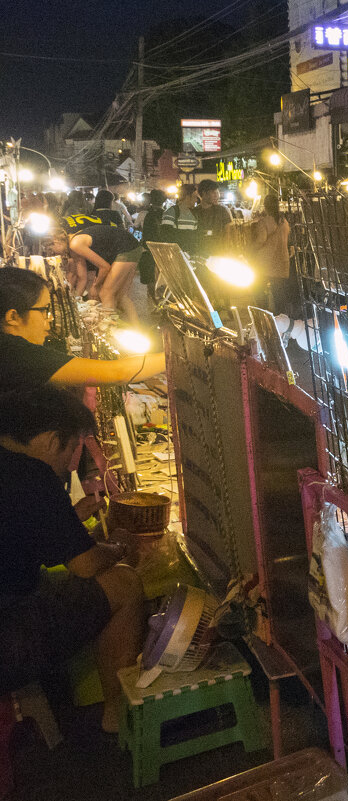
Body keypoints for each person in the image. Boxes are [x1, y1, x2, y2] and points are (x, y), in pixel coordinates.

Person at [0, 386, 144, 733]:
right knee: (124, 584)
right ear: (51, 440)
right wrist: (120, 545)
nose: (69, 464)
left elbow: (19, 532)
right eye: (71, 450)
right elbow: (86, 565)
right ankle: (116, 716)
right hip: (7, 635)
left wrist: (69, 520)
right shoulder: (32, 474)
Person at [0, 268, 165, 395]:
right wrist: (170, 357)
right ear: (13, 317)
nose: (49, 319)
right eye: (44, 310)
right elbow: (118, 372)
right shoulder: (14, 354)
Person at [59, 224, 144, 325]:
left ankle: (109, 331)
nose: (52, 254)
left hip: (126, 248)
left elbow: (105, 267)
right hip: (131, 246)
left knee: (106, 293)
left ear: (56, 241)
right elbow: (82, 278)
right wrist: (74, 302)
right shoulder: (73, 245)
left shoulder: (75, 244)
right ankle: (138, 329)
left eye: (50, 249)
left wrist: (95, 285)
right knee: (121, 296)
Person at [248, 194, 292, 314]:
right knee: (279, 293)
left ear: (265, 206)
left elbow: (260, 240)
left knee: (259, 290)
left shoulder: (264, 222)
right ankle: (281, 318)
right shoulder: (284, 222)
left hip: (265, 262)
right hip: (282, 260)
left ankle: (263, 315)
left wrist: (250, 250)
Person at [136, 189, 167, 296]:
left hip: (148, 248)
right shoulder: (166, 214)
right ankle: (160, 298)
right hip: (163, 249)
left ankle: (153, 299)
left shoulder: (144, 214)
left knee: (149, 276)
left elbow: (139, 229)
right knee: (160, 274)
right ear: (164, 200)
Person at [158, 183, 200, 256]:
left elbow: (195, 237)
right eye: (194, 197)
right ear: (187, 197)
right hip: (174, 256)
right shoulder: (172, 212)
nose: (196, 200)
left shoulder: (194, 215)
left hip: (189, 257)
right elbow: (165, 235)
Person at [195, 179, 233, 256]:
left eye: (217, 192)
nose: (217, 195)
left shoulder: (222, 210)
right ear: (204, 193)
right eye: (214, 192)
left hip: (219, 252)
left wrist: (226, 250)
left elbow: (229, 231)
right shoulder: (195, 211)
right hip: (199, 253)